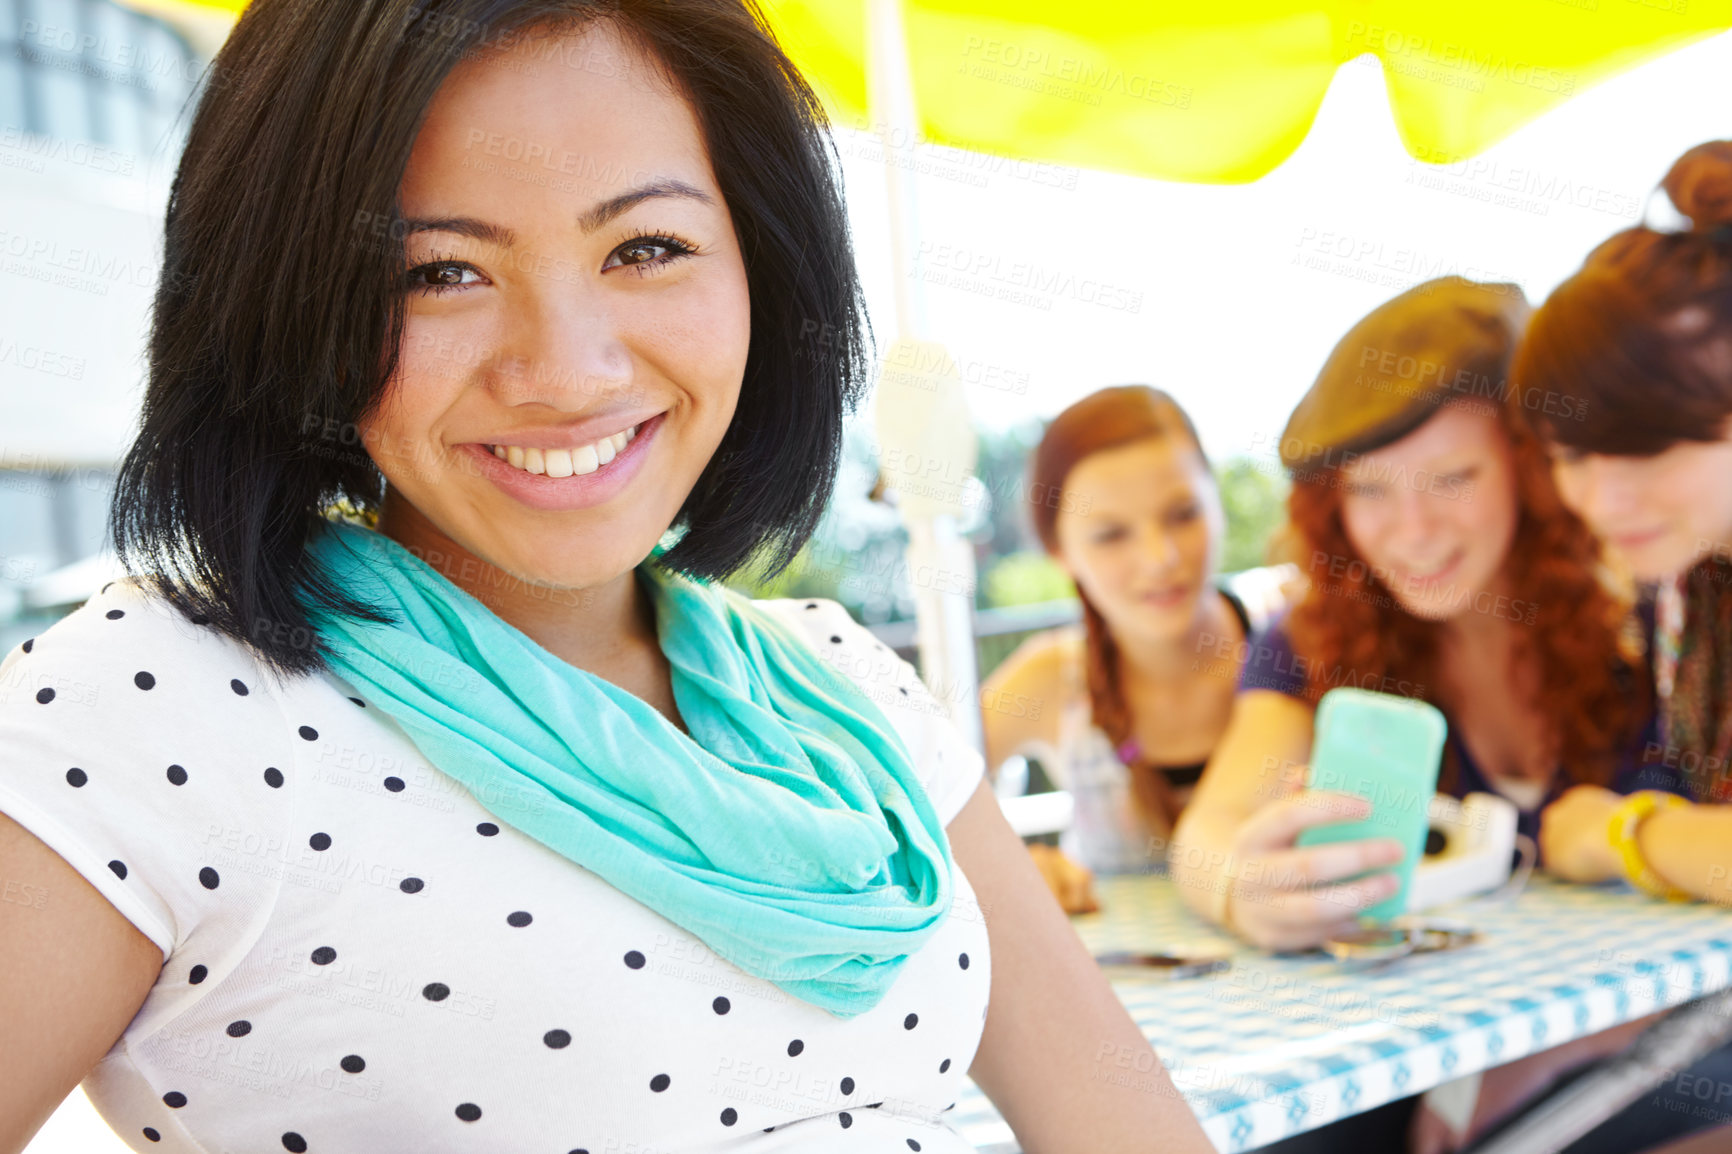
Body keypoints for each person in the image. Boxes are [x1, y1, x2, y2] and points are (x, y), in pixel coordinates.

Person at [0, 4, 1215, 1153]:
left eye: (645, 246)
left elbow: (1126, 1124)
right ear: (292, 302)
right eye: (439, 271)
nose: (567, 370)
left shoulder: (842, 690)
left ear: (762, 267)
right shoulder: (161, 702)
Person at [1169, 276, 1696, 1154]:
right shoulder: (1316, 630)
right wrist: (1236, 886)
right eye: (1370, 491)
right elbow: (1206, 829)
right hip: (1439, 1069)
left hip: (1665, 1050)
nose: (1410, 532)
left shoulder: (1660, 610)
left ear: (1533, 468)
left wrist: (1545, 1051)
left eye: (1451, 478)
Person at [1515, 140, 1732, 903]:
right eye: (1572, 455)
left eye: (1647, 446)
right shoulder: (1692, 583)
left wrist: (1622, 833)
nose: (1604, 501)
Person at [981, 385, 1291, 911]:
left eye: (1182, 515)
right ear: (1061, 551)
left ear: (1218, 506)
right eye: (1111, 535)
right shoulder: (1053, 677)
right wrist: (1010, 870)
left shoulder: (1289, 639)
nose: (1159, 558)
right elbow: (912, 806)